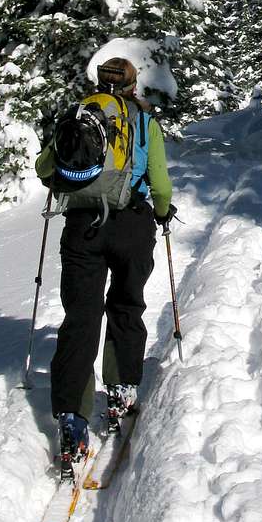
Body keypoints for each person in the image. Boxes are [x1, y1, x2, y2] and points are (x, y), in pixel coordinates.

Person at [40, 57, 175, 473]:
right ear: (134, 84)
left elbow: (46, 170)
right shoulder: (143, 120)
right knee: (126, 304)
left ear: (99, 80)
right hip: (131, 224)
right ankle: (120, 389)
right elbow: (160, 181)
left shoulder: (80, 113)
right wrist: (164, 210)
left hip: (82, 227)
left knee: (80, 317)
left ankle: (71, 417)